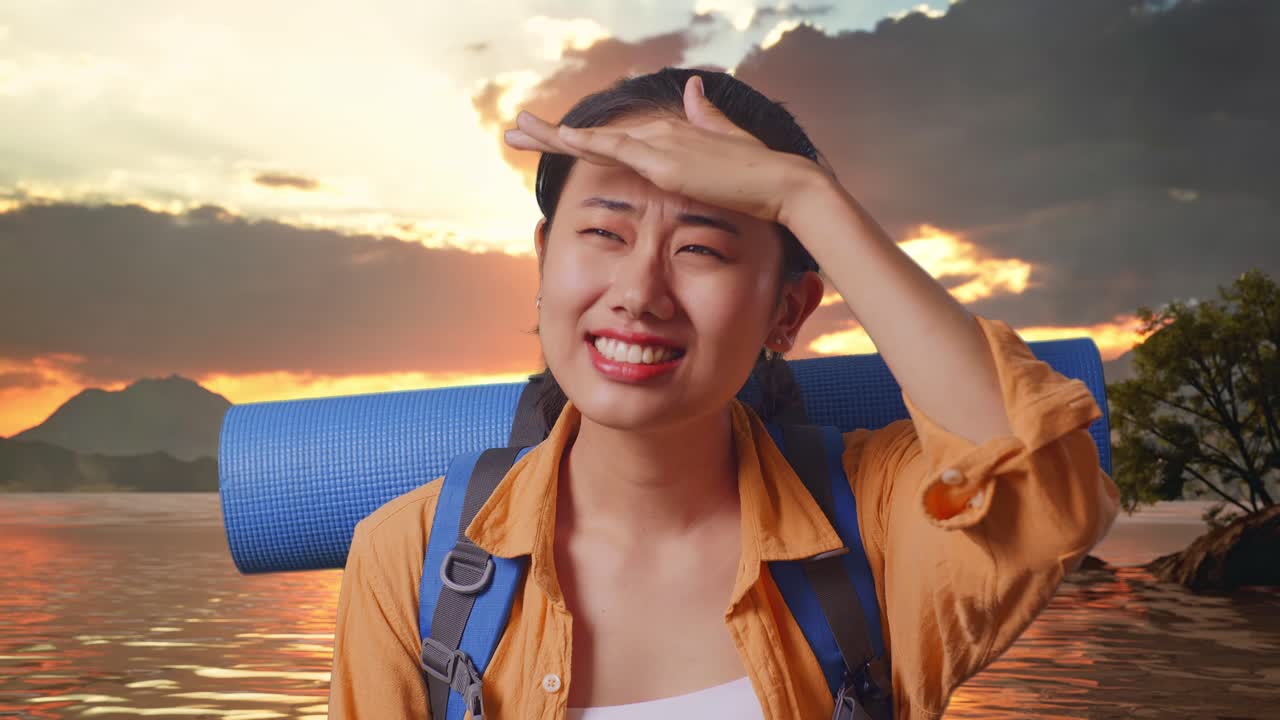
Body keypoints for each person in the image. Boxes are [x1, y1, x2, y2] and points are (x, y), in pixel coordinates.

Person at [327, 67, 1120, 719]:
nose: (639, 292)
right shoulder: (410, 559)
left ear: (788, 312)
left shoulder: (874, 528)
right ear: (544, 260)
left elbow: (1049, 494)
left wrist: (804, 198)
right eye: (605, 232)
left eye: (702, 247)